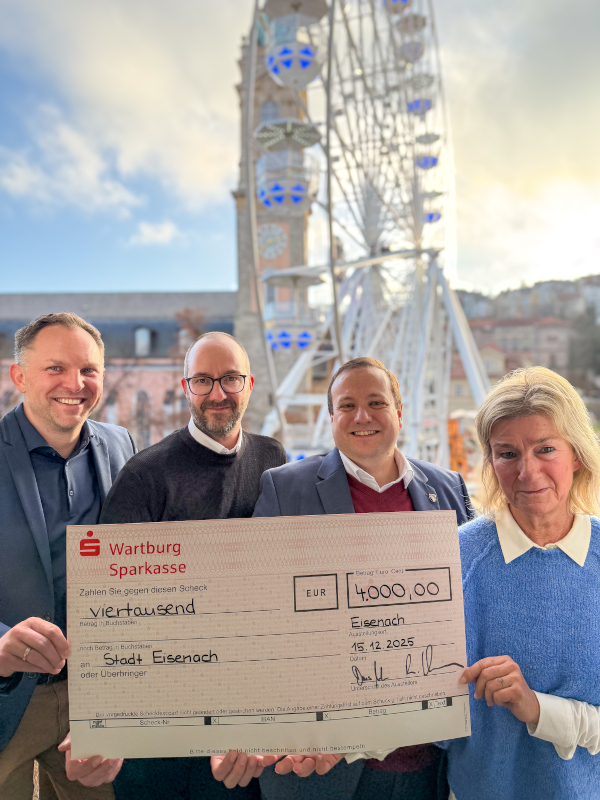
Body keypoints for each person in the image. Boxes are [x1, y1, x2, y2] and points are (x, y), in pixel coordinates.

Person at [215, 357, 474, 800]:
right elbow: (253, 614)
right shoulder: (285, 488)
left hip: (425, 758)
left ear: (399, 412)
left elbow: (468, 605)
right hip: (317, 763)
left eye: (376, 402)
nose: (362, 416)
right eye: (347, 405)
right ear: (332, 416)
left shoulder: (448, 488)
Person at [98, 331, 288, 800]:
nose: (217, 393)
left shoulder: (273, 459)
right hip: (159, 721)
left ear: (250, 384)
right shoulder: (144, 475)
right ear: (186, 387)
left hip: (244, 716)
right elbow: (111, 609)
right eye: (203, 380)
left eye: (230, 379)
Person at [442, 367, 600, 799]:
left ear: (577, 454)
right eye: (507, 453)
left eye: (545, 449)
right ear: (491, 462)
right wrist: (333, 741)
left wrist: (536, 708)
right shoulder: (453, 558)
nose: (527, 472)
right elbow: (416, 699)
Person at [0, 313, 136, 800]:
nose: (75, 384)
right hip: (7, 697)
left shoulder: (122, 445)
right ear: (19, 376)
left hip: (93, 700)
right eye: (55, 368)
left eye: (89, 370)